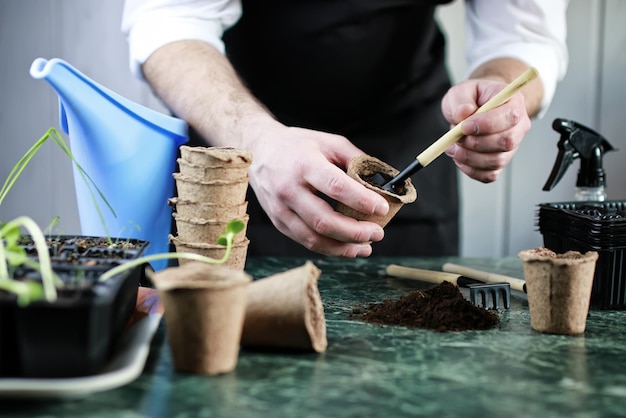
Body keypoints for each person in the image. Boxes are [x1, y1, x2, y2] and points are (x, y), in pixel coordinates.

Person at [121, 0, 568, 258]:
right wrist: (257, 142)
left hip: (404, 140)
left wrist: (499, 95)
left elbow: (521, 34)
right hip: (241, 144)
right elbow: (169, 20)